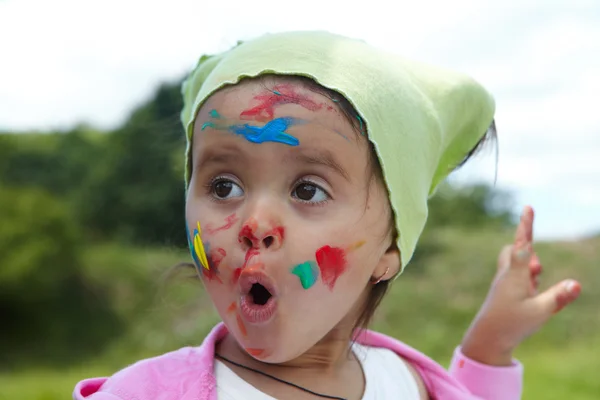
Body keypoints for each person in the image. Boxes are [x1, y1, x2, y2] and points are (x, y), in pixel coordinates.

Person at [73, 31, 581, 400]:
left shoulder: (409, 384)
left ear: (389, 247)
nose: (256, 224)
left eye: (308, 189)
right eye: (223, 185)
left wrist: (489, 346)